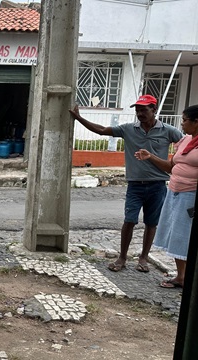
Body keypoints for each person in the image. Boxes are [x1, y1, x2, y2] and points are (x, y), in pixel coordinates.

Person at [70, 95, 183, 272]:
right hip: (135, 185)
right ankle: (122, 257)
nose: (139, 113)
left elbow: (185, 144)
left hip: (158, 185)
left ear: (154, 109)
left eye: (143, 110)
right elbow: (101, 130)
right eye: (137, 110)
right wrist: (79, 118)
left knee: (151, 223)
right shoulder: (129, 129)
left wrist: (177, 161)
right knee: (129, 221)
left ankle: (143, 258)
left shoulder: (168, 131)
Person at [134, 105, 198, 288]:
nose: (182, 124)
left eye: (185, 120)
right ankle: (181, 276)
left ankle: (185, 277)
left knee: (186, 235)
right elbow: (171, 166)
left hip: (191, 195)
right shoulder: (185, 141)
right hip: (175, 192)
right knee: (176, 234)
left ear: (196, 122)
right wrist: (150, 157)